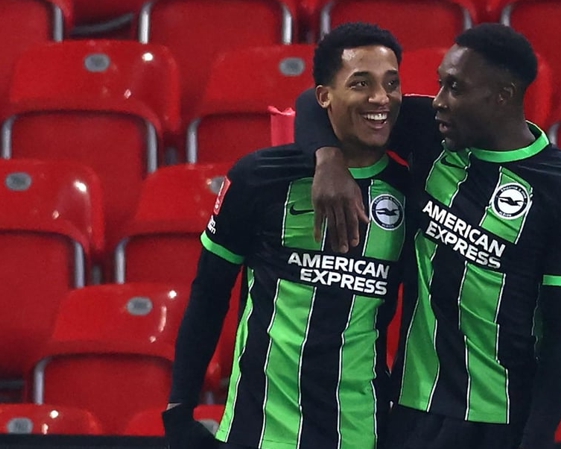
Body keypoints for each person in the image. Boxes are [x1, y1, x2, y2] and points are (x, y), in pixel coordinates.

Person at [293, 23, 561, 449]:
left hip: (499, 422)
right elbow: (314, 103)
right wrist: (327, 159)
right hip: (412, 408)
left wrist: (537, 437)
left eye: (454, 88)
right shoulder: (433, 134)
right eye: (440, 84)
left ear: (502, 96)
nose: (438, 101)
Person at [162, 22, 410, 449]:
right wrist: (179, 408)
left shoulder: (412, 192)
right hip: (256, 430)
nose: (380, 99)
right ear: (324, 97)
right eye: (361, 83)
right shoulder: (259, 177)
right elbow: (208, 294)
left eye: (391, 83)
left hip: (358, 432)